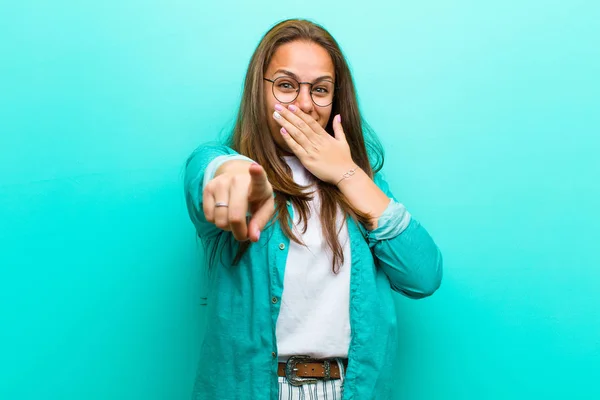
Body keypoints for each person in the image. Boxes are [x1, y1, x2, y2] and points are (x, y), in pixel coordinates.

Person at [184, 18, 443, 400]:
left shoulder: (362, 188)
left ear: (336, 98)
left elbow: (423, 277)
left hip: (346, 389)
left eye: (320, 89)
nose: (304, 104)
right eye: (286, 85)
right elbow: (210, 172)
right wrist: (231, 174)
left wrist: (347, 173)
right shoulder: (226, 162)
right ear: (260, 91)